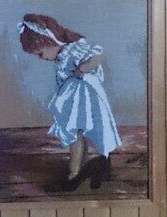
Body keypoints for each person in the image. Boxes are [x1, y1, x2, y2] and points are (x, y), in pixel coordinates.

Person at [18, 13, 121, 190]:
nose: (40, 58)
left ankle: (75, 174)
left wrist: (83, 68)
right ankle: (95, 166)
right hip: (74, 98)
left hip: (84, 96)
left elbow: (98, 54)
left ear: (50, 41)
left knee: (77, 131)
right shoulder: (61, 57)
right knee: (79, 131)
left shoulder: (73, 50)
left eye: (40, 53)